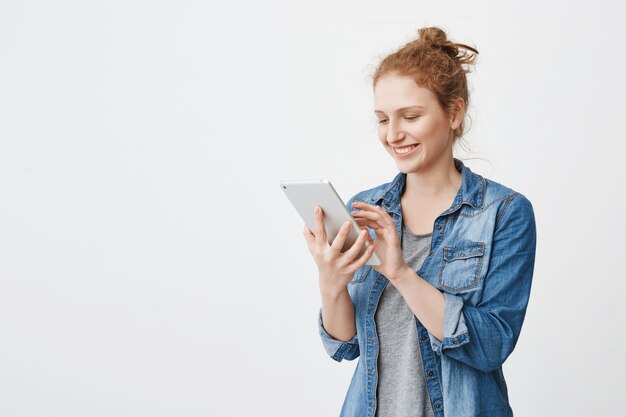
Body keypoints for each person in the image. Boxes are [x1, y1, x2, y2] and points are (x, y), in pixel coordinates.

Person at [302, 26, 537, 417]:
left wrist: (401, 272)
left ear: (454, 112)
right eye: (382, 119)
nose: (393, 134)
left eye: (410, 116)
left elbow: (492, 345)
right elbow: (346, 345)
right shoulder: (365, 207)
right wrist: (330, 282)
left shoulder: (504, 212)